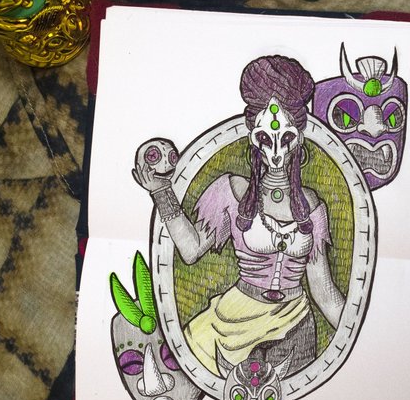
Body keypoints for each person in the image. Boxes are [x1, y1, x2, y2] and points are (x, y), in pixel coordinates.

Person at [134, 55, 345, 375]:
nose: (276, 152)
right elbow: (190, 250)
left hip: (295, 326)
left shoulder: (312, 206)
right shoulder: (230, 190)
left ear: (300, 137)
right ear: (253, 137)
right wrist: (161, 191)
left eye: (286, 138)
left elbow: (324, 293)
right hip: (230, 323)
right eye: (266, 138)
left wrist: (362, 335)